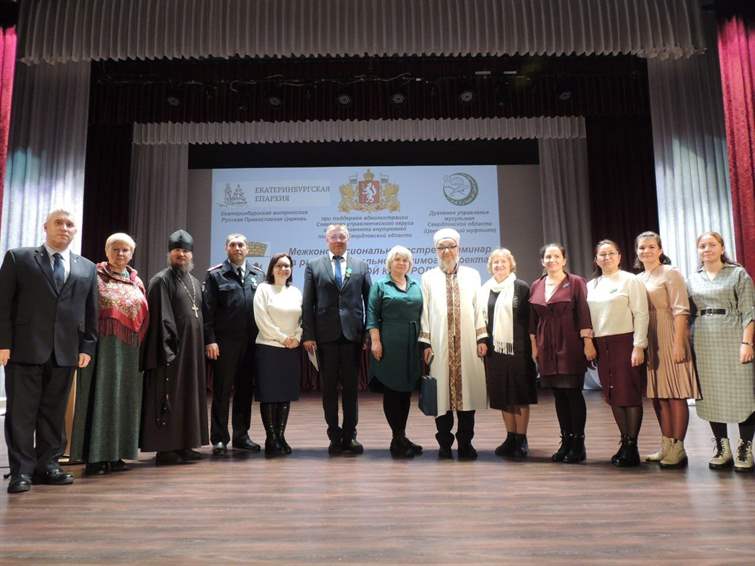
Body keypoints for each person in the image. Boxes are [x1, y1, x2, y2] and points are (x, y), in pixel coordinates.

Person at [0, 209, 98, 494]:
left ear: (75, 230)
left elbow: (91, 311)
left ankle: (48, 465)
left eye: (70, 224)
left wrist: (87, 345)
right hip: (23, 349)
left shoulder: (86, 267)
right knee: (21, 414)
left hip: (65, 352)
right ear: (46, 226)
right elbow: (3, 304)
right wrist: (3, 343)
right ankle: (21, 471)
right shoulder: (19, 258)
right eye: (58, 223)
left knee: (54, 414)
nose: (64, 228)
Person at [70, 233, 149, 475]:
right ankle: (94, 458)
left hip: (129, 353)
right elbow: (80, 311)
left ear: (132, 254)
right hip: (100, 351)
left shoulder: (137, 281)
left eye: (125, 250)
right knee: (98, 399)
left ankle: (116, 455)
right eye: (115, 249)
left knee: (124, 400)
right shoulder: (93, 276)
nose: (120, 254)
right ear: (106, 251)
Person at [140, 230, 209, 465]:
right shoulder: (161, 281)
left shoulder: (195, 282)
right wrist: (168, 351)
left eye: (186, 251)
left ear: (191, 254)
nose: (182, 254)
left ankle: (185, 443)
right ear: (170, 253)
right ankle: (166, 448)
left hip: (192, 352)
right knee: (169, 397)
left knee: (188, 396)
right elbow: (162, 319)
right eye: (177, 250)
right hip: (170, 351)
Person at [687, 231, 754, 472]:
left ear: (722, 248)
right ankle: (722, 447)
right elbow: (686, 312)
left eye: (712, 245)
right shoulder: (693, 279)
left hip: (733, 335)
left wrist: (747, 343)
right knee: (712, 393)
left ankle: (745, 447)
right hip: (704, 340)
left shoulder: (737, 273)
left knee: (744, 393)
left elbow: (749, 311)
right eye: (702, 246)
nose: (707, 249)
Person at [302, 224, 372, 455]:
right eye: (334, 237)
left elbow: (369, 302)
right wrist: (309, 334)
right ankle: (334, 435)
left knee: (351, 389)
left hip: (353, 336)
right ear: (327, 240)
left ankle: (350, 435)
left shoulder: (361, 265)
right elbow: (308, 303)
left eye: (342, 236)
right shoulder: (314, 265)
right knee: (329, 389)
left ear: (348, 239)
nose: (338, 240)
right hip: (325, 337)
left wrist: (368, 333)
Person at [419, 228, 488, 460]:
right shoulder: (428, 277)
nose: (446, 251)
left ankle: (466, 444)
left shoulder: (472, 275)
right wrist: (426, 343)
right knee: (441, 398)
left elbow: (479, 307)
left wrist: (481, 338)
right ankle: (444, 444)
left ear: (459, 248)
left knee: (468, 395)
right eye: (441, 247)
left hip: (468, 345)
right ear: (435, 250)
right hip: (439, 346)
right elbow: (425, 312)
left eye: (451, 246)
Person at [635, 231, 700, 469]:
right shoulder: (638, 278)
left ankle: (678, 447)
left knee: (675, 393)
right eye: (642, 247)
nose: (646, 251)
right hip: (649, 337)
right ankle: (666, 444)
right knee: (658, 394)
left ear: (660, 250)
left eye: (651, 247)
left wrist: (679, 343)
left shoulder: (670, 273)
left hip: (670, 334)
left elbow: (681, 309)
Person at [529, 243, 594, 464]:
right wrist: (534, 346)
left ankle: (578, 444)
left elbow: (584, 313)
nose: (552, 260)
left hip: (570, 342)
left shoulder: (575, 282)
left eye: (556, 256)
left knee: (572, 393)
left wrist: (587, 342)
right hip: (546, 345)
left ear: (564, 260)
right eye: (548, 257)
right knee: (558, 394)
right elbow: (532, 320)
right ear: (542, 261)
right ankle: (565, 441)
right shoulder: (536, 284)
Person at [587, 239, 649, 467]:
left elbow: (641, 313)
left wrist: (638, 346)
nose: (607, 257)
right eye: (602, 254)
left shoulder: (630, 280)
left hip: (625, 342)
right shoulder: (591, 285)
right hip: (602, 344)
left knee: (629, 394)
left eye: (611, 253)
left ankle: (632, 446)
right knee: (613, 394)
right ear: (596, 260)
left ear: (619, 256)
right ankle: (624, 442)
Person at [203, 233, 265, 456]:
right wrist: (210, 340)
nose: (237, 248)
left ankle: (241, 435)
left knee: (245, 391)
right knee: (222, 391)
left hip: (251, 343)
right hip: (225, 343)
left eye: (241, 245)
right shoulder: (215, 274)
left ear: (247, 249)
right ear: (226, 248)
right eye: (233, 245)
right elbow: (208, 311)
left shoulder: (258, 274)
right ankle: (219, 438)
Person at [366, 245, 423, 459]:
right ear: (389, 263)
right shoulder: (380, 285)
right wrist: (375, 341)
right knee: (392, 391)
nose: (401, 263)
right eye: (397, 259)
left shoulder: (416, 285)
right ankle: (396, 438)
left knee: (406, 391)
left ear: (410, 264)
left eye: (405, 260)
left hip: (412, 344)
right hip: (389, 343)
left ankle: (401, 437)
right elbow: (372, 315)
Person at [479, 248, 536, 459]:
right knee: (503, 395)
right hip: (495, 351)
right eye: (495, 262)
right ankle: (510, 437)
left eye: (503, 261)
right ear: (490, 266)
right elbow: (480, 320)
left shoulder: (521, 287)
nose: (499, 265)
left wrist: (533, 346)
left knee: (519, 395)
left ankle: (521, 439)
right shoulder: (485, 290)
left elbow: (531, 320)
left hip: (519, 349)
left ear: (511, 264)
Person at [253, 253, 302, 458]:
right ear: (272, 268)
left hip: (290, 349)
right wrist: (283, 338)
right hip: (268, 347)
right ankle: (270, 438)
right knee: (270, 395)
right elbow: (261, 319)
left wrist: (297, 337)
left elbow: (302, 319)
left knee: (284, 395)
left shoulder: (296, 292)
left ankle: (281, 436)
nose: (283, 269)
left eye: (287, 266)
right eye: (279, 265)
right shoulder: (263, 289)